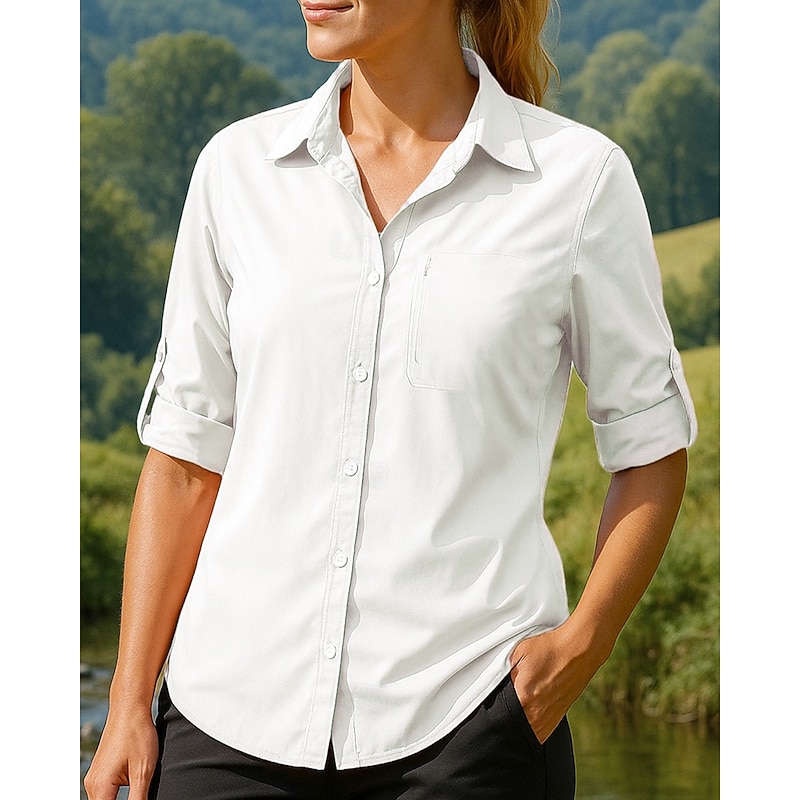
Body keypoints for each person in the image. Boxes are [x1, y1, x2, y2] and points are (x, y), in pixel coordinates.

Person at [84, 0, 697, 798]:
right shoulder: (238, 171)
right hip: (224, 717)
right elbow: (184, 458)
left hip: (469, 723)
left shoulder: (577, 182)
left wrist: (582, 648)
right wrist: (128, 700)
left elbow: (651, 445)